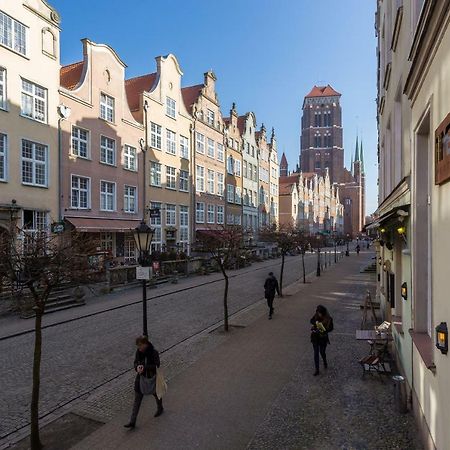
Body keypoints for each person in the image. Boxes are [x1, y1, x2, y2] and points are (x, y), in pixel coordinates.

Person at [124, 336, 163, 429]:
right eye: (138, 346)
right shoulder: (138, 352)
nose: (139, 348)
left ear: (145, 344)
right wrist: (137, 367)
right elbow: (136, 362)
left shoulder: (154, 352)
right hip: (140, 379)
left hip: (151, 378)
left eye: (140, 346)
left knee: (157, 394)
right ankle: (132, 421)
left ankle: (160, 408)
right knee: (137, 400)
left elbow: (156, 365)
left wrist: (144, 367)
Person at [310, 305, 334, 376]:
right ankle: (317, 370)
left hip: (323, 338)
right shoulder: (316, 315)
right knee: (316, 353)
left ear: (323, 313)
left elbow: (331, 328)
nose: (319, 314)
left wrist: (324, 329)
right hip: (315, 337)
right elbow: (311, 320)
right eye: (318, 312)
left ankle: (324, 361)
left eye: (320, 313)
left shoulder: (329, 319)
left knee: (322, 352)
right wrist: (315, 324)